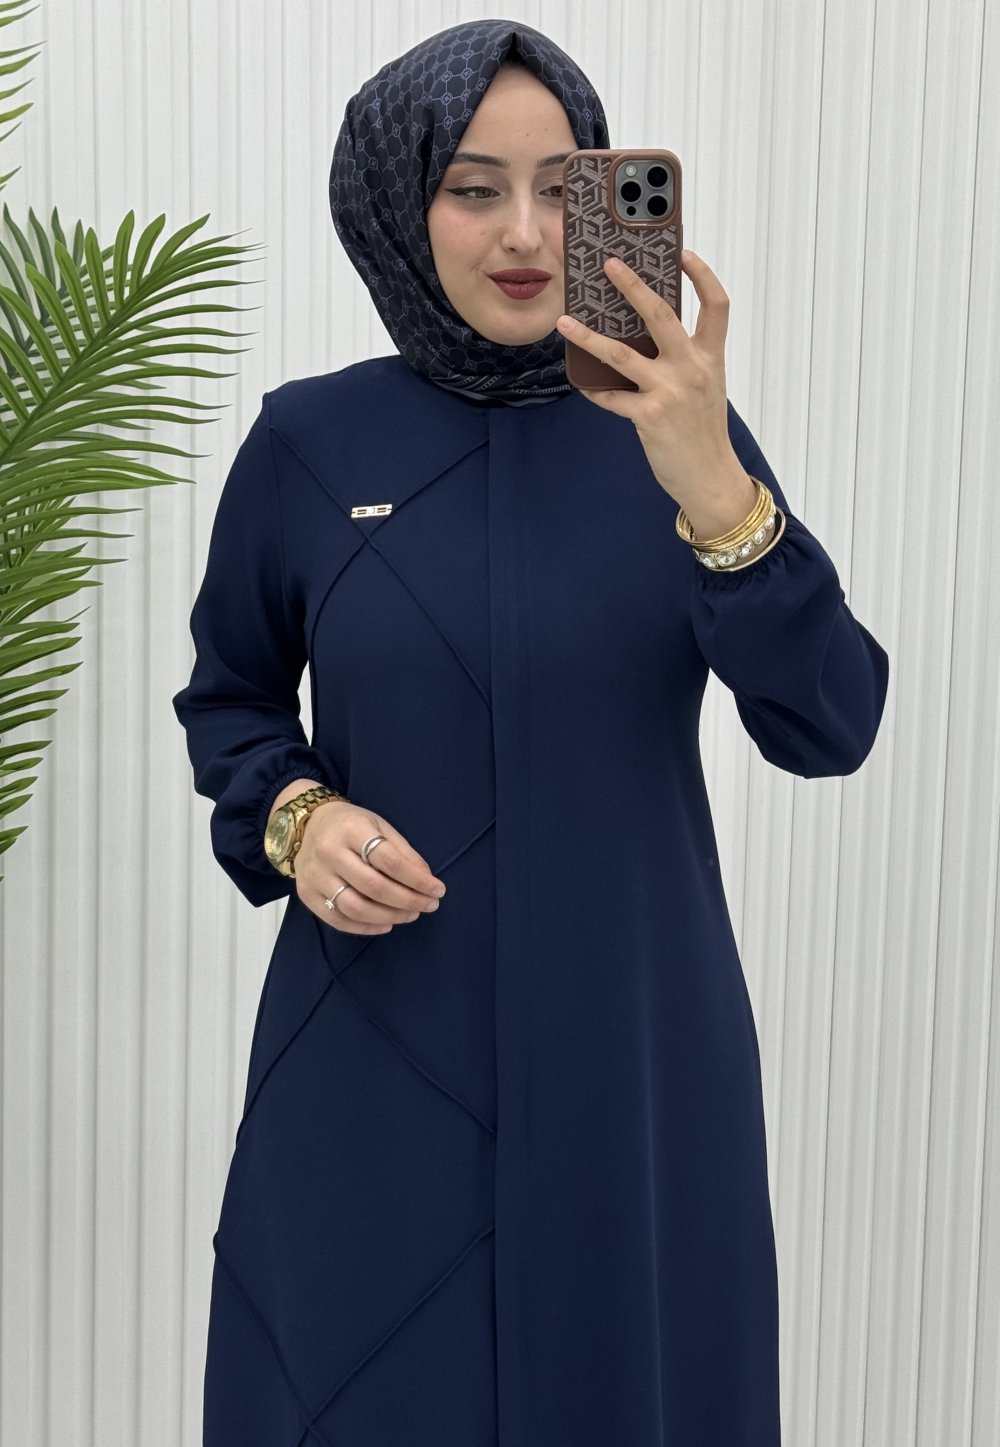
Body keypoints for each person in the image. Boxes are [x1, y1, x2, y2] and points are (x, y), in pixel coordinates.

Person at [172, 18, 889, 1447]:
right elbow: (231, 699)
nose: (523, 233)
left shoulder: (680, 435)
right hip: (376, 1035)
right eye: (472, 186)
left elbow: (830, 723)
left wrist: (712, 484)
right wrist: (301, 820)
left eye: (565, 189)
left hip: (635, 1041)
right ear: (398, 201)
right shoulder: (308, 445)